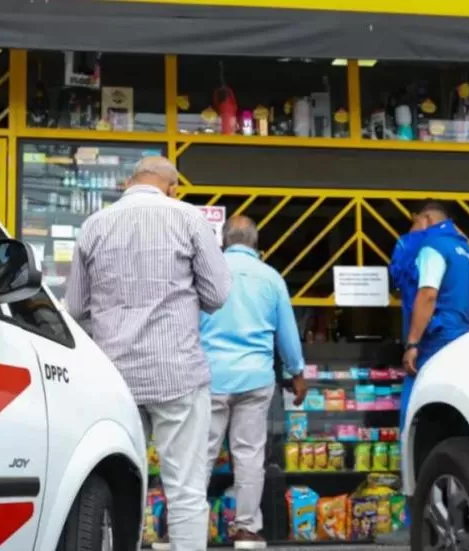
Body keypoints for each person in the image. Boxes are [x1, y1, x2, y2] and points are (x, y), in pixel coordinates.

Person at [66, 156, 232, 551]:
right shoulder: (188, 219)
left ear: (129, 182)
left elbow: (74, 309)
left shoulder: (94, 225)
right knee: (187, 490)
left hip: (114, 379)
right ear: (172, 187)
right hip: (178, 373)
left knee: (123, 483)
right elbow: (218, 294)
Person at [200, 215, 307, 549]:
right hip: (256, 378)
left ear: (223, 241)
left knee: (200, 454)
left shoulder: (208, 273)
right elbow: (287, 333)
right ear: (256, 243)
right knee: (249, 455)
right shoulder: (271, 278)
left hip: (212, 375)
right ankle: (246, 530)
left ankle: (184, 528)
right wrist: (297, 373)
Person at [378, 201, 469, 545]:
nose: (409, 233)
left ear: (424, 221)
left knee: (413, 429)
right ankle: (457, 513)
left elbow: (426, 294)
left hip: (434, 346)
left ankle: (416, 522)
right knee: (455, 429)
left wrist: (411, 343)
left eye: (412, 225)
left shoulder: (431, 248)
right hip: (463, 344)